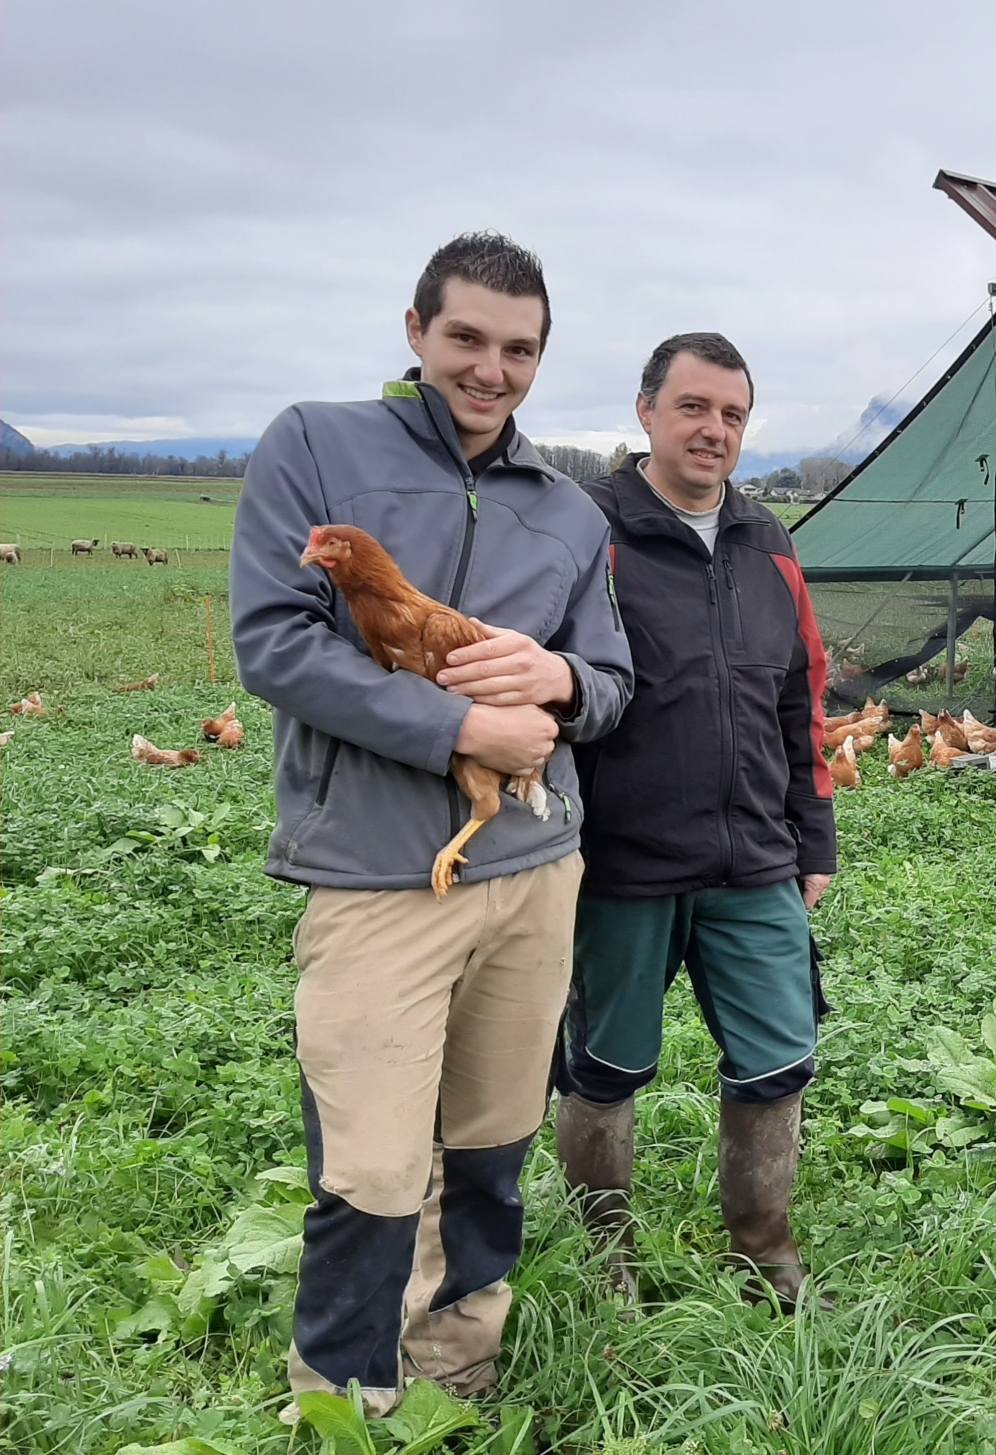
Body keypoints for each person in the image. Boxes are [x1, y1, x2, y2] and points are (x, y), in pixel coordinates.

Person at [230, 232, 634, 1413]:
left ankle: (456, 1379)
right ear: (417, 333)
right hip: (372, 875)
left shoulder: (565, 508)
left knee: (496, 1143)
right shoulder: (315, 443)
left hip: (530, 870)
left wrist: (556, 682)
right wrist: (459, 732)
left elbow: (610, 679)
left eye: (518, 349)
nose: (490, 369)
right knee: (368, 1167)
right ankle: (349, 1408)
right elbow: (275, 643)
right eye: (466, 338)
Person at [552, 332, 835, 1306]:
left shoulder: (769, 542)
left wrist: (814, 834)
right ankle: (607, 1263)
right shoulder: (588, 532)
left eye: (732, 414)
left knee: (778, 1057)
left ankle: (764, 1249)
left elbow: (802, 694)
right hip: (621, 860)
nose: (713, 430)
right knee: (604, 1070)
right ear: (646, 414)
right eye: (693, 408)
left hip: (754, 853)